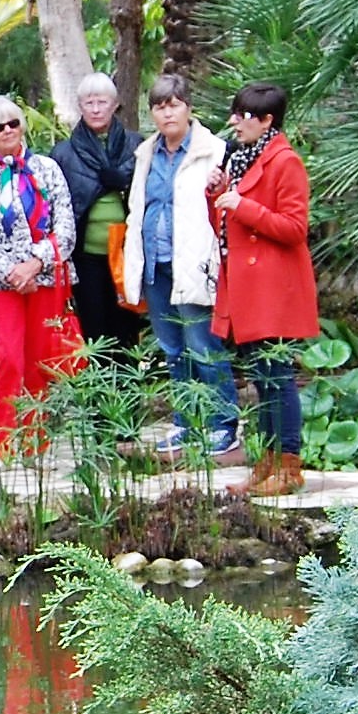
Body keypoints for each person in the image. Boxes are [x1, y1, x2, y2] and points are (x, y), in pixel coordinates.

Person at [210, 83, 319, 496]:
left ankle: (289, 467)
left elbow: (295, 228)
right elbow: (226, 228)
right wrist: (216, 193)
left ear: (267, 120)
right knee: (261, 378)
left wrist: (243, 206)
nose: (234, 122)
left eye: (243, 115)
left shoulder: (285, 161)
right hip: (246, 285)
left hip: (274, 287)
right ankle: (267, 464)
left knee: (278, 377)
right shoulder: (241, 159)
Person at [0, 99, 81, 453]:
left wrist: (36, 264)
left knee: (40, 361)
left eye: (12, 123)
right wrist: (11, 272)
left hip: (46, 279)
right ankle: (5, 440)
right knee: (9, 358)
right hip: (2, 285)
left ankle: (35, 440)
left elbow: (65, 226)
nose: (7, 131)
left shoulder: (48, 169)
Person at [123, 75, 234, 455]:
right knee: (173, 350)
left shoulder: (214, 151)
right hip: (155, 263)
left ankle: (223, 424)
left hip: (193, 261)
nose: (167, 113)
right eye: (159, 106)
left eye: (174, 105)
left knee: (203, 345)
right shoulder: (146, 154)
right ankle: (186, 424)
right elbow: (139, 208)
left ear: (188, 107)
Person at [52, 75, 140, 350]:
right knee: (94, 326)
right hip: (86, 256)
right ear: (80, 106)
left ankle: (127, 377)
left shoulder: (136, 145)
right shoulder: (63, 153)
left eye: (102, 102)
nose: (96, 109)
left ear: (114, 105)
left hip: (126, 252)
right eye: (89, 103)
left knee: (126, 326)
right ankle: (97, 378)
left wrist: (122, 181)